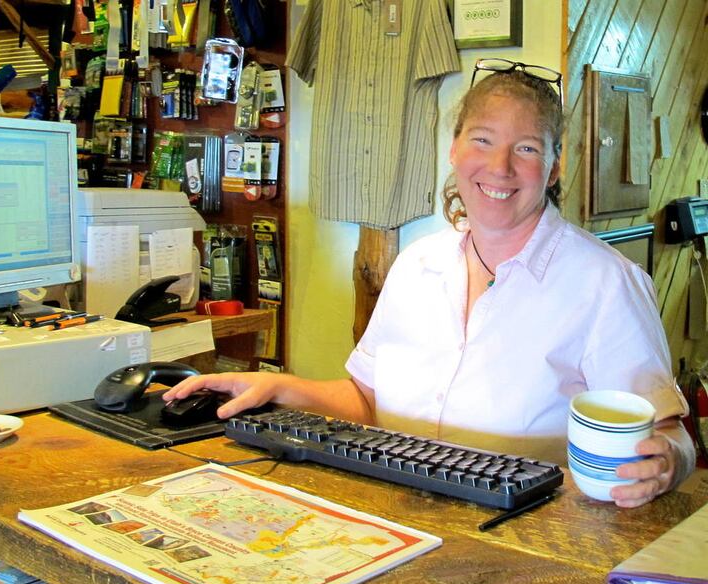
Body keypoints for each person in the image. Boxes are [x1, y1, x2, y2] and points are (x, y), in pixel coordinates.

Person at [165, 59, 696, 508]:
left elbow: (673, 436)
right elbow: (367, 402)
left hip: (529, 543)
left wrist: (669, 462)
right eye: (482, 140)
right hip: (399, 517)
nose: (500, 166)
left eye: (528, 149)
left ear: (554, 167)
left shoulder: (607, 282)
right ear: (455, 148)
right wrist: (278, 387)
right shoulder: (417, 267)